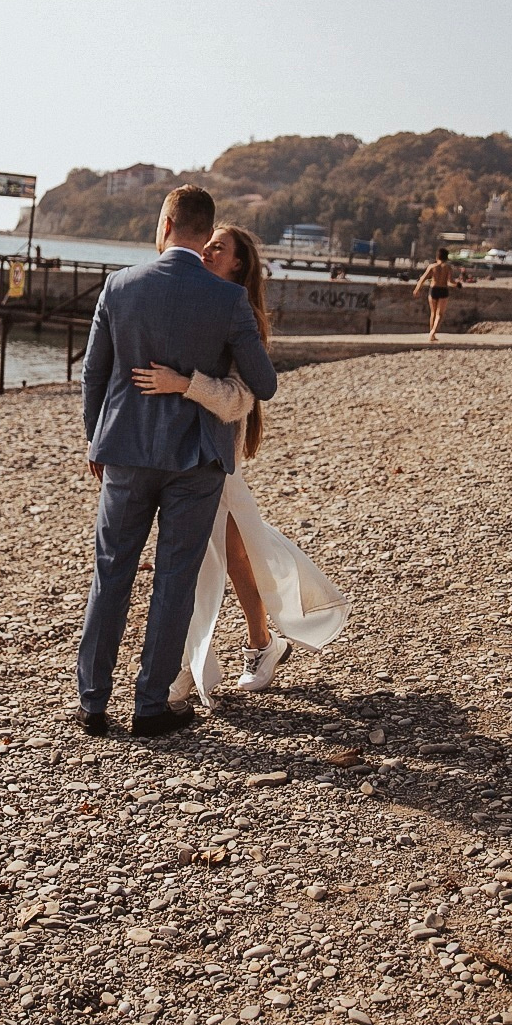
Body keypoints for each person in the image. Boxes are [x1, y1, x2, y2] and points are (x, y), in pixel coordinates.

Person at [76, 187, 277, 738]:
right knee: (173, 581)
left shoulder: (119, 287)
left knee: (110, 574)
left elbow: (94, 374)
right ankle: (149, 707)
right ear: (203, 231)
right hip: (195, 462)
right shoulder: (227, 300)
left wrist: (97, 440)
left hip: (126, 456)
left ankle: (92, 703)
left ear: (165, 224)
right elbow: (264, 384)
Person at [131, 225, 350, 703]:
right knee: (227, 556)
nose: (206, 251)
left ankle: (216, 659)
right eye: (205, 243)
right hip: (186, 458)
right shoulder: (193, 298)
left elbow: (239, 400)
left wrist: (181, 383)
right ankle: (242, 649)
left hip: (216, 459)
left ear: (238, 265)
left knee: (221, 558)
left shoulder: (240, 314)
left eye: (218, 248)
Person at [411, 247, 458, 341]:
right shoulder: (448, 267)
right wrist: (458, 284)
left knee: (433, 313)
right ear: (446, 257)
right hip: (443, 290)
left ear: (437, 256)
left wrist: (417, 289)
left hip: (433, 289)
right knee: (440, 314)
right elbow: (451, 281)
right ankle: (433, 332)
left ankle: (432, 333)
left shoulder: (432, 267)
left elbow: (423, 278)